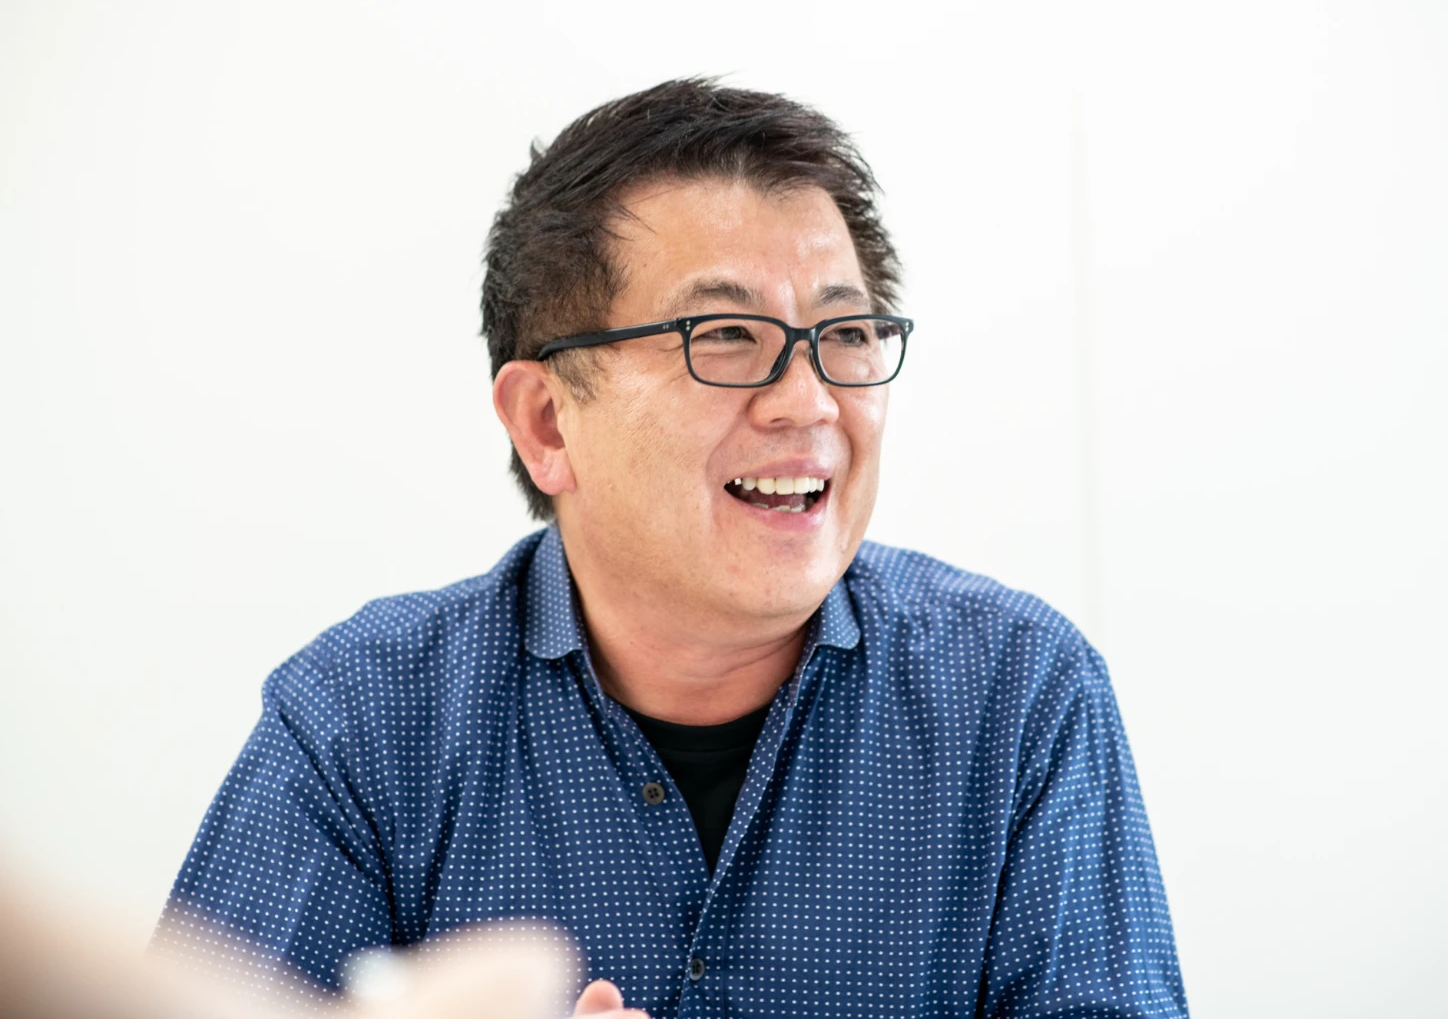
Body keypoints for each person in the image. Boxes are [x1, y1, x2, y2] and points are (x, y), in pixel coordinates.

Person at [155, 78, 1188, 1018]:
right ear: (548, 423)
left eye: (845, 334)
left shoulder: (1019, 697)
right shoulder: (365, 722)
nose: (809, 402)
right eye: (724, 336)